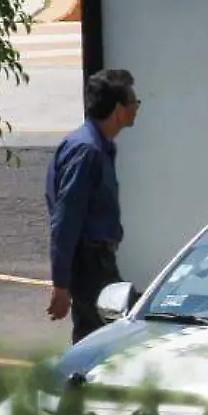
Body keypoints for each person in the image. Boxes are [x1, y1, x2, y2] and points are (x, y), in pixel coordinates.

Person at [44, 69, 140, 342]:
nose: (136, 107)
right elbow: (66, 218)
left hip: (97, 261)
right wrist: (61, 285)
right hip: (91, 264)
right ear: (119, 109)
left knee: (102, 336)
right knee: (104, 339)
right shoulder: (87, 151)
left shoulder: (98, 146)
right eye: (133, 101)